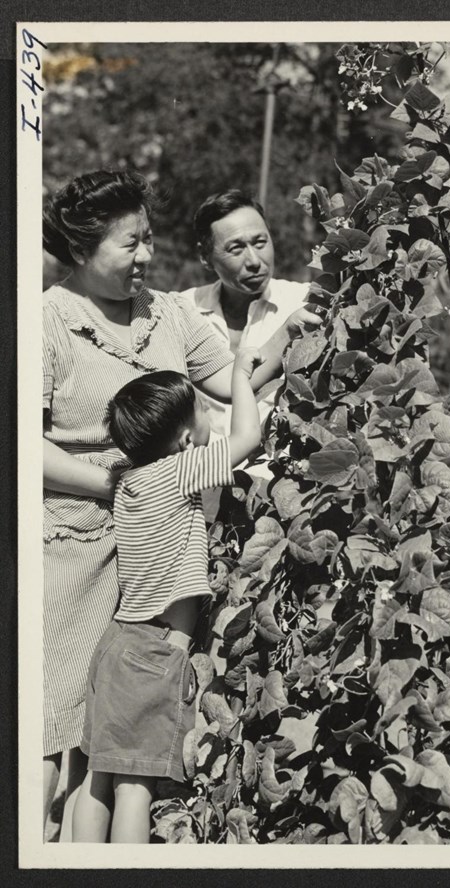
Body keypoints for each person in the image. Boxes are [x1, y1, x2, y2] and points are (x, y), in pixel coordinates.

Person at [41, 169, 306, 839]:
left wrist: (292, 336)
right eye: (130, 244)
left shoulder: (170, 313)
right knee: (66, 745)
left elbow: (233, 377)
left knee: (96, 759)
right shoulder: (45, 321)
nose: (146, 257)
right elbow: (20, 447)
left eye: (150, 239)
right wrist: (122, 488)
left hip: (136, 584)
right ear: (81, 250)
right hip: (72, 554)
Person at [72, 356, 260, 843]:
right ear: (182, 440)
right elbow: (247, 441)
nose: (208, 414)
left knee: (100, 777)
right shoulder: (180, 470)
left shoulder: (127, 477)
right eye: (201, 407)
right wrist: (240, 375)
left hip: (116, 644)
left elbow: (116, 441)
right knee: (136, 787)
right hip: (156, 649)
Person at [180, 189, 316, 438]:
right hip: (201, 471)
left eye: (260, 243)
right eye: (236, 248)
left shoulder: (304, 303)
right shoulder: (182, 311)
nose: (254, 260)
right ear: (205, 257)